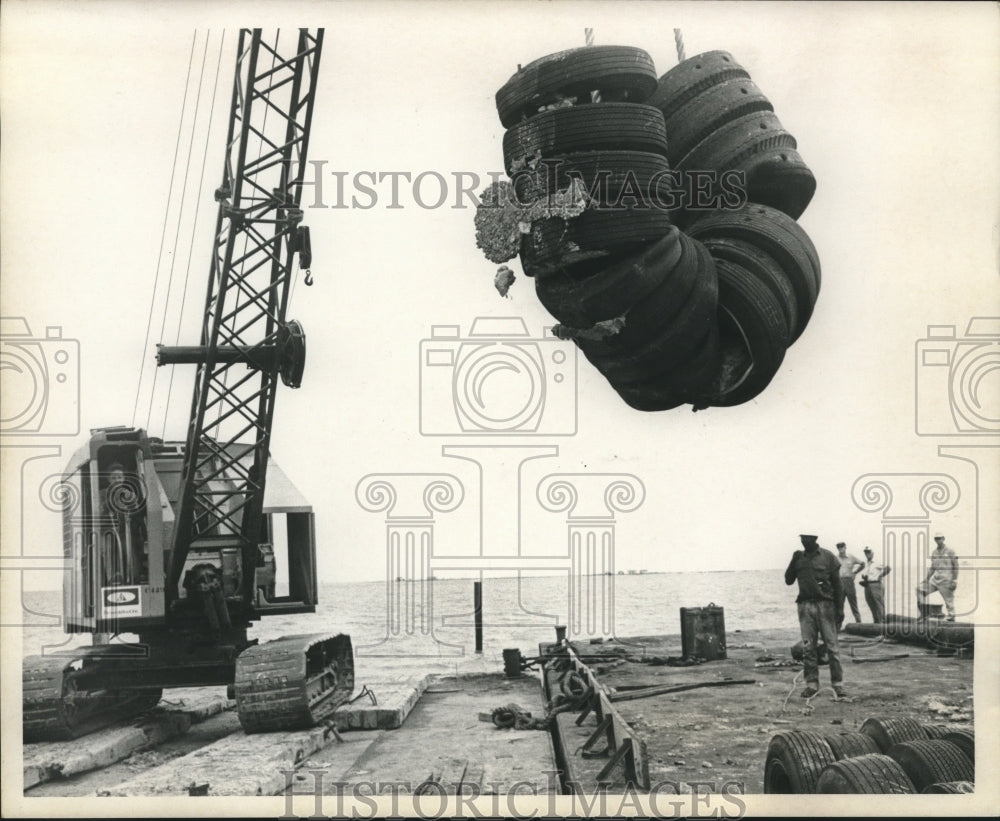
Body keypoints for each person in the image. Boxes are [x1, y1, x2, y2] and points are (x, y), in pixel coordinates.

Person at [784, 534, 845, 698]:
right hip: (805, 606)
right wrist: (793, 560)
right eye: (802, 539)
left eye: (807, 539)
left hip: (826, 606)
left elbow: (838, 585)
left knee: (832, 646)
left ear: (815, 539)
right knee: (808, 647)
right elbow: (788, 580)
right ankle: (811, 684)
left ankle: (837, 684)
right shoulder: (798, 558)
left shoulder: (828, 557)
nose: (804, 542)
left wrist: (840, 609)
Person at [916, 532, 959, 621]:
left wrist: (954, 580)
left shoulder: (950, 551)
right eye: (936, 538)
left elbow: (956, 566)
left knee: (949, 602)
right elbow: (933, 568)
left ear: (943, 538)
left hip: (947, 580)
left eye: (940, 538)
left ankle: (951, 618)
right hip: (935, 580)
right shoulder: (934, 552)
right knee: (919, 589)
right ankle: (924, 613)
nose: (938, 540)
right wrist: (926, 579)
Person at [835, 541, 865, 630]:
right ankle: (838, 626)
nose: (840, 549)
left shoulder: (851, 557)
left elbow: (862, 564)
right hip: (839, 582)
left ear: (845, 547)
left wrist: (855, 572)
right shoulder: (835, 558)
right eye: (839, 547)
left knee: (853, 603)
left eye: (842, 547)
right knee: (839, 605)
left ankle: (859, 623)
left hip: (849, 582)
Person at [859, 546, 890, 623]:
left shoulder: (877, 562)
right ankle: (876, 622)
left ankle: (882, 623)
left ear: (872, 553)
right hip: (867, 585)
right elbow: (866, 574)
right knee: (871, 603)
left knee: (879, 604)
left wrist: (880, 575)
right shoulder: (867, 563)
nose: (867, 554)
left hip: (876, 584)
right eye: (866, 552)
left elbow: (888, 568)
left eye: (869, 552)